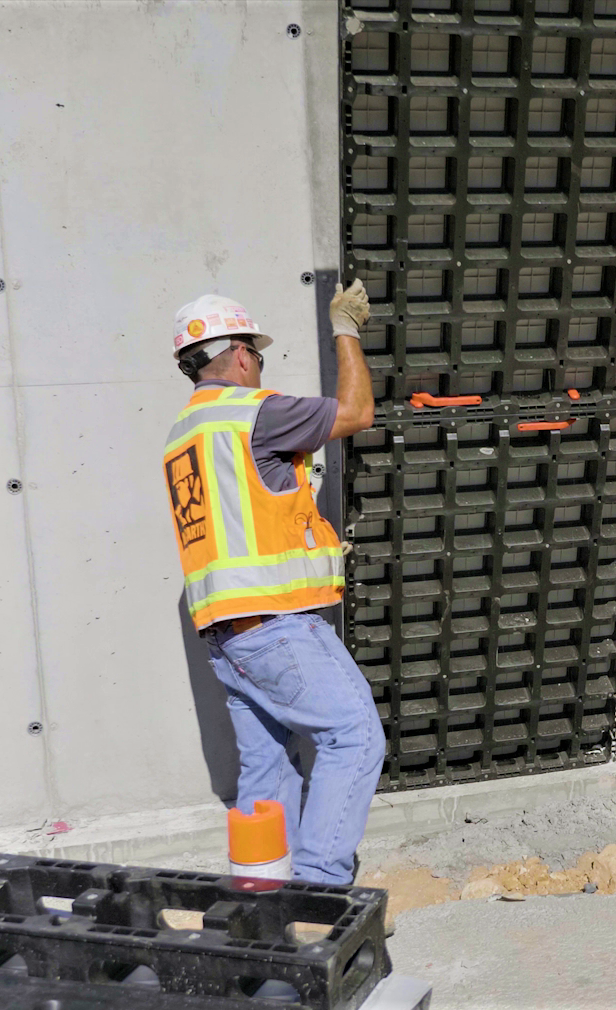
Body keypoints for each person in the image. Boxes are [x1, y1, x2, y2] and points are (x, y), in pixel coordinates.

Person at [161, 283, 380, 884]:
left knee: (266, 771)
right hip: (276, 626)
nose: (260, 365)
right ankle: (319, 891)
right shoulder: (253, 413)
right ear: (236, 355)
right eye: (257, 353)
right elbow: (358, 413)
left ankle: (263, 892)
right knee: (354, 735)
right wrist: (347, 330)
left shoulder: (184, 436)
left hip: (225, 637)